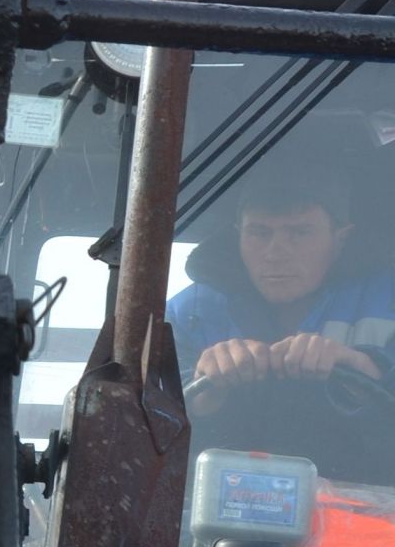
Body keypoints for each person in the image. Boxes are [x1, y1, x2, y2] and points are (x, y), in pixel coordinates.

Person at [168, 157, 395, 391]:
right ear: (239, 237)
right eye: (259, 233)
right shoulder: (185, 314)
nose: (275, 254)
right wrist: (203, 392)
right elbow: (149, 402)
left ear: (340, 239)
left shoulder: (388, 299)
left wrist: (366, 366)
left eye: (299, 232)